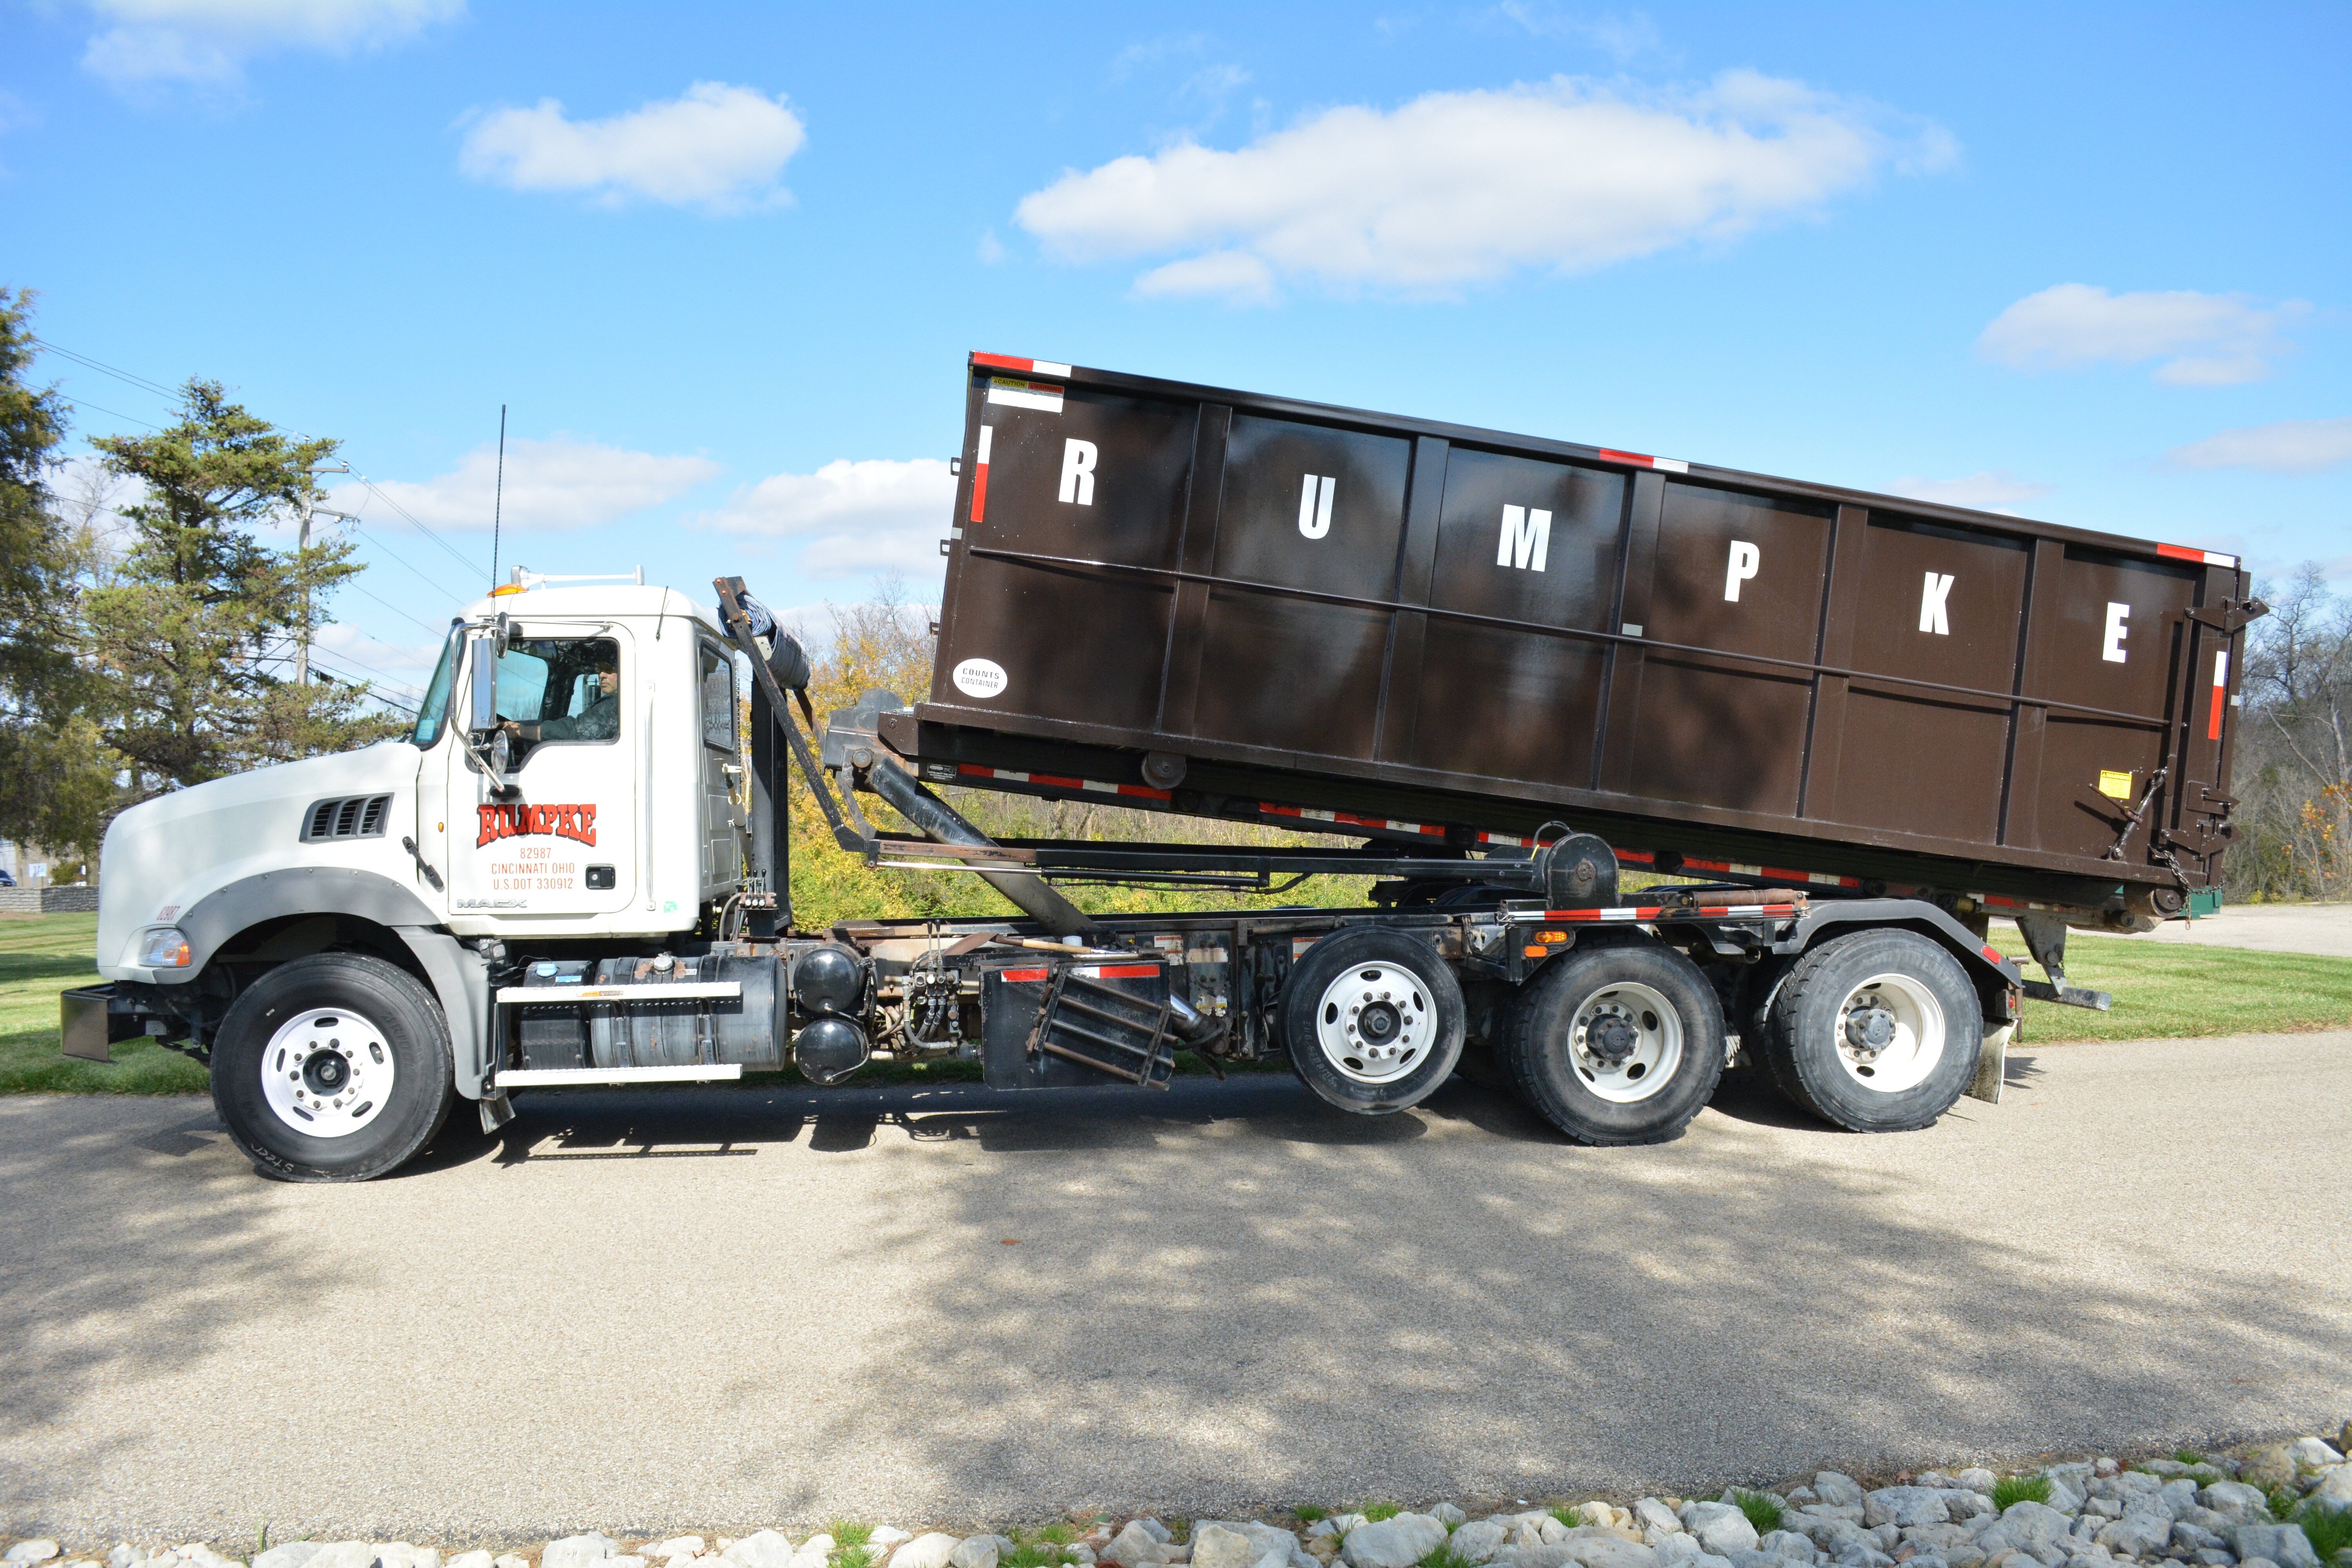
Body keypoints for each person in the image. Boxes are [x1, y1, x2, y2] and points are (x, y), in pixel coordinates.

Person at [504, 659, 620, 744]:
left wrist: (523, 731)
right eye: (601, 671)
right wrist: (520, 725)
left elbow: (577, 730)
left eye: (609, 671)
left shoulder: (616, 704)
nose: (602, 675)